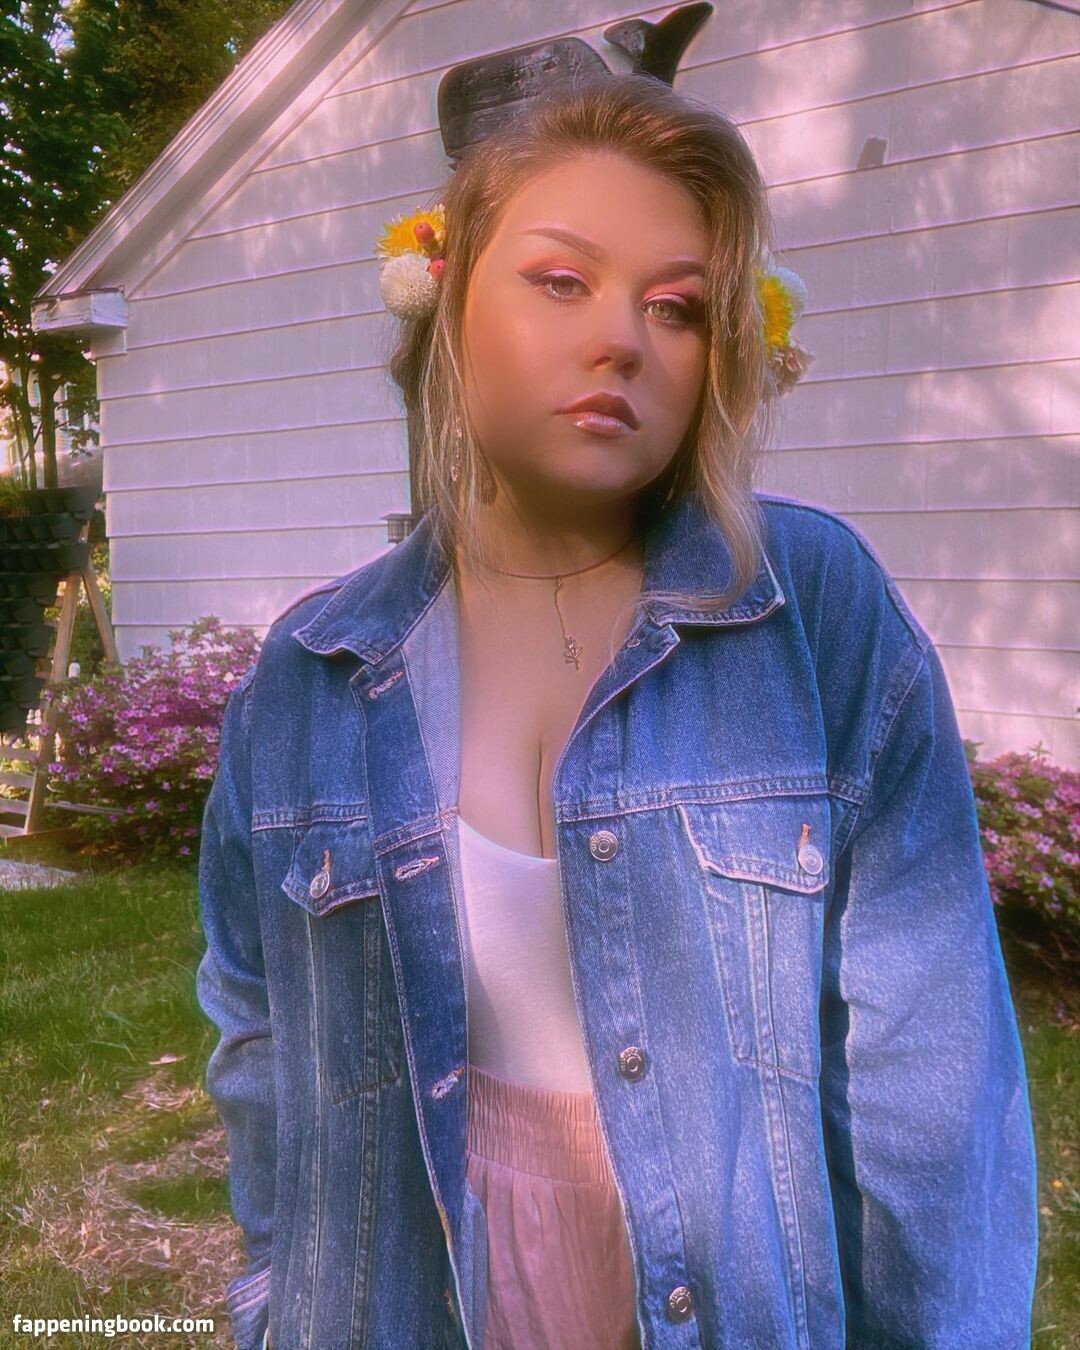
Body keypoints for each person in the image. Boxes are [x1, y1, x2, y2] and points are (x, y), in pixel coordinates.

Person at [196, 73, 1039, 1350]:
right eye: (560, 280)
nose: (624, 341)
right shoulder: (308, 678)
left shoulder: (811, 613)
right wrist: (276, 1300)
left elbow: (931, 1087)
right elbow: (259, 1037)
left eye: (676, 306)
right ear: (446, 304)